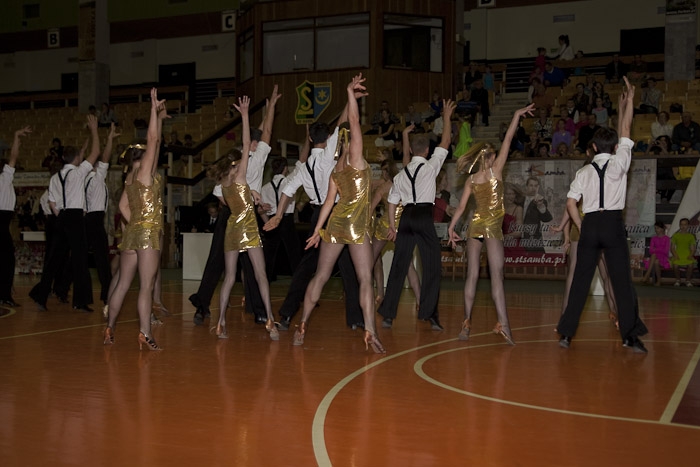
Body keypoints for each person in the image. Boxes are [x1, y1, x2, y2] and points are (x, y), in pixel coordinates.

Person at [292, 73, 384, 352]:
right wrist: (349, 94)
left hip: (335, 223)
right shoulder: (356, 159)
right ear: (352, 140)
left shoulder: (336, 169)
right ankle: (370, 330)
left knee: (320, 276)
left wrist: (318, 231)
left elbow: (329, 203)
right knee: (365, 279)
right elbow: (353, 120)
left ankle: (302, 324)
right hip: (356, 225)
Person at [557, 77, 649, 353]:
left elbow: (570, 202)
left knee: (580, 281)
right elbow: (626, 129)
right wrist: (629, 101)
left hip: (590, 224)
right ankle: (630, 337)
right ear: (615, 147)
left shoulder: (584, 170)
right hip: (611, 224)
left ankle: (566, 334)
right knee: (621, 282)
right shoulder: (620, 162)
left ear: (594, 148)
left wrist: (581, 223)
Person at [264, 93, 363, 331]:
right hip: (337, 213)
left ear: (309, 138)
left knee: (306, 268)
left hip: (317, 215)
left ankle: (286, 315)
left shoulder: (302, 167)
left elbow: (287, 191)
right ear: (328, 138)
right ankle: (356, 319)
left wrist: (278, 215)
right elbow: (342, 123)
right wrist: (350, 99)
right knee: (348, 266)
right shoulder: (330, 154)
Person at [448, 105, 534, 345]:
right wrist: (516, 116)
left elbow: (462, 208)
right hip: (492, 227)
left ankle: (466, 324)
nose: (496, 157)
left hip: (475, 225)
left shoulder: (472, 179)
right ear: (488, 158)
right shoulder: (496, 171)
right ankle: (504, 325)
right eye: (493, 155)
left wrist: (451, 227)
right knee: (497, 276)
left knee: (472, 275)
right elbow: (508, 139)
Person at [377, 97, 456, 330]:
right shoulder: (431, 167)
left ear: (411, 150)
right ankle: (430, 314)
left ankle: (388, 314)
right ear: (428, 150)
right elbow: (446, 140)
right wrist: (447, 116)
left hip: (406, 217)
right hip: (423, 215)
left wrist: (393, 227)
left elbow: (392, 202)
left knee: (399, 264)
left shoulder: (401, 174)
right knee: (432, 266)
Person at [206, 96, 279, 341]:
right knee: (261, 275)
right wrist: (245, 115)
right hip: (248, 226)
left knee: (229, 277)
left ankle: (220, 323)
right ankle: (270, 320)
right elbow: (247, 143)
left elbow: (233, 203)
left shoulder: (224, 183)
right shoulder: (240, 176)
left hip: (231, 228)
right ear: (235, 165)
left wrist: (253, 197)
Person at [103, 88, 168, 350]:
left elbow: (122, 205)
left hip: (132, 234)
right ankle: (145, 333)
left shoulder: (129, 176)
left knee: (122, 284)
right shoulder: (145, 171)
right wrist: (152, 110)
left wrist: (159, 119)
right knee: (146, 286)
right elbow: (153, 139)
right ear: (144, 156)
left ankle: (109, 328)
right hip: (147, 233)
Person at [29, 116, 100, 312]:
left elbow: (52, 203)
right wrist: (94, 130)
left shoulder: (55, 177)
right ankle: (80, 301)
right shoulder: (78, 173)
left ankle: (41, 296)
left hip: (61, 217)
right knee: (80, 260)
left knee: (53, 259)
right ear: (76, 159)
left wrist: (61, 216)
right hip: (75, 217)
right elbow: (96, 152)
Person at [370, 153, 421, 310]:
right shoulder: (404, 183)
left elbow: (370, 209)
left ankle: (376, 294)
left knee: (370, 260)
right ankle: (420, 300)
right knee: (408, 265)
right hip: (402, 228)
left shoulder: (383, 188)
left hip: (385, 227)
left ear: (385, 172)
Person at [85, 123, 118, 306]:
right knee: (101, 258)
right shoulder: (96, 178)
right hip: (94, 219)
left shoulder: (87, 178)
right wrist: (110, 138)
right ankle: (107, 293)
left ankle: (62, 287)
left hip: (90, 218)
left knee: (84, 256)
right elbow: (105, 157)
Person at [0, 126, 31, 307]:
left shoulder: (5, 180)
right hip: (2, 220)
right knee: (7, 260)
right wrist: (16, 136)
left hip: (4, 220)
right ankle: (4, 294)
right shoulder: (5, 178)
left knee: (6, 259)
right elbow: (14, 156)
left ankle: (4, 293)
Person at [258, 156, 302, 281]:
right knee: (294, 253)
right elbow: (301, 163)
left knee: (269, 255)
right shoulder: (290, 181)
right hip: (286, 219)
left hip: (272, 219)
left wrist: (268, 223)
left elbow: (261, 210)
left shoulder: (264, 188)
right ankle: (299, 283)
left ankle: (265, 283)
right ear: (286, 168)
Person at [521, 176, 553, 253]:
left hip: (533, 239)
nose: (533, 188)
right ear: (526, 186)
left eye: (535, 186)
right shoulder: (520, 199)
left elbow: (546, 218)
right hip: (517, 237)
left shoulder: (541, 201)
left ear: (538, 187)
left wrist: (540, 206)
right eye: (531, 185)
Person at [642, 221, 670, 286]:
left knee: (654, 256)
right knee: (656, 261)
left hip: (663, 258)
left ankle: (647, 275)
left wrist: (656, 249)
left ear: (662, 229)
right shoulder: (653, 238)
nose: (656, 230)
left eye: (657, 228)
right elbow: (651, 250)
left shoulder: (667, 238)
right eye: (655, 228)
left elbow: (665, 251)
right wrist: (659, 249)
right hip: (654, 258)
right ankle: (658, 281)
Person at [670, 218, 697, 287]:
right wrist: (675, 255)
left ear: (688, 226)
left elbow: (693, 249)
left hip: (687, 255)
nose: (683, 226)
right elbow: (672, 248)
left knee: (690, 265)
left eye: (685, 225)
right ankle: (678, 280)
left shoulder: (691, 236)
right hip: (678, 255)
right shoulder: (675, 235)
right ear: (679, 225)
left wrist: (690, 255)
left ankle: (688, 280)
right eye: (681, 224)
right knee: (675, 265)